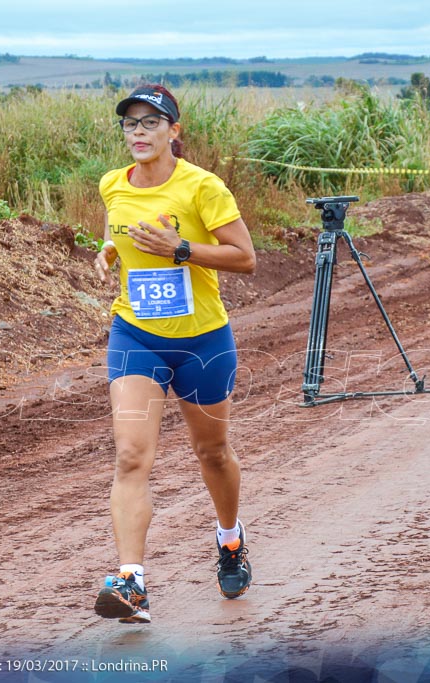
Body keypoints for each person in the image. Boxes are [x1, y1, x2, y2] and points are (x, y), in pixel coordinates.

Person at [91, 84, 257, 624]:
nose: (137, 132)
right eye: (129, 124)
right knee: (130, 455)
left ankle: (229, 539)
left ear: (173, 131)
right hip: (135, 335)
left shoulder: (204, 187)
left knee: (212, 453)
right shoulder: (113, 185)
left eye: (149, 123)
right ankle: (132, 580)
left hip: (202, 342)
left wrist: (181, 249)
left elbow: (245, 257)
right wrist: (112, 248)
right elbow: (124, 231)